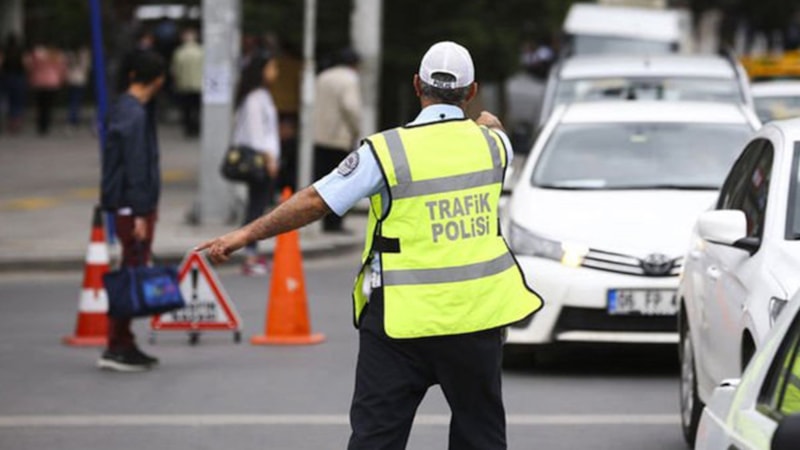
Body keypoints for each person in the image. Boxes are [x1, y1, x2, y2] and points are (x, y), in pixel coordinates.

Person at [198, 41, 543, 449]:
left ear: (418, 85)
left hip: (400, 322)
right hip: (476, 319)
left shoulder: (387, 151)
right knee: (480, 434)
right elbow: (496, 131)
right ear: (471, 91)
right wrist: (490, 122)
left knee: (377, 438)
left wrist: (245, 234)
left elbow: (315, 201)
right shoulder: (494, 146)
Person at [98, 50, 166, 372]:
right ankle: (117, 345)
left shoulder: (124, 108)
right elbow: (136, 167)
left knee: (131, 270)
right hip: (132, 207)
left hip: (127, 205)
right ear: (158, 80)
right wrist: (141, 213)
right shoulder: (135, 114)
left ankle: (123, 341)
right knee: (131, 273)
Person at [230, 50, 280, 276]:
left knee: (258, 205)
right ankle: (249, 254)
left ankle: (252, 251)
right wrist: (269, 159)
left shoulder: (261, 95)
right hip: (259, 161)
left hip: (264, 159)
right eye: (272, 67)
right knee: (256, 207)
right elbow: (257, 134)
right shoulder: (254, 98)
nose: (275, 72)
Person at [312, 47, 362, 233]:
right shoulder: (349, 79)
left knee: (323, 180)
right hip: (339, 138)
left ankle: (323, 221)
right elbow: (351, 107)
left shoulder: (322, 77)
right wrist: (356, 129)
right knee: (342, 182)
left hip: (319, 135)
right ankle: (335, 223)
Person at [25, 42, 66, 136]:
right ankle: (46, 125)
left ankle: (40, 125)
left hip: (39, 82)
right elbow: (61, 69)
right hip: (52, 82)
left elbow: (29, 65)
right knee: (48, 106)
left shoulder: (37, 55)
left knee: (40, 106)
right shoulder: (56, 55)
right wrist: (61, 79)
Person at [171, 28, 203, 137]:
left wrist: (176, 82)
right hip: (199, 84)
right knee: (197, 108)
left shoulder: (179, 53)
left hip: (184, 85)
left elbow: (175, 70)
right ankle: (196, 127)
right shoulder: (201, 51)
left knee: (187, 109)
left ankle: (189, 128)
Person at [0, 33, 27, 134]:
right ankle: (15, 123)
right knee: (17, 101)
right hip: (18, 77)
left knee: (4, 99)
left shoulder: (4, 50)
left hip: (6, 77)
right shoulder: (21, 51)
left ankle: (5, 121)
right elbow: (25, 64)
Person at [65, 44, 91, 129]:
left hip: (72, 79)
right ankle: (74, 118)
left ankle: (72, 118)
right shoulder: (84, 54)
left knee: (72, 100)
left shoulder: (70, 55)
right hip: (80, 80)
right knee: (77, 100)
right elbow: (87, 67)